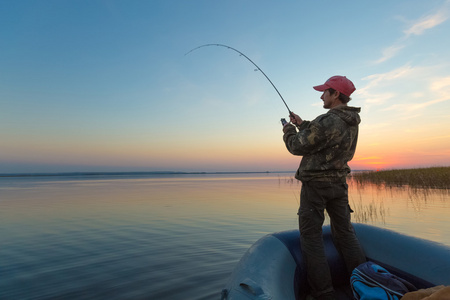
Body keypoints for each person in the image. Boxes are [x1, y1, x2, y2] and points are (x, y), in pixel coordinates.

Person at [282, 75, 366, 300]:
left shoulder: (329, 119)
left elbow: (297, 146)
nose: (321, 95)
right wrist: (302, 124)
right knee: (345, 234)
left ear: (335, 94)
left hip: (316, 187)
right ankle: (365, 283)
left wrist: (289, 130)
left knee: (311, 237)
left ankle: (324, 294)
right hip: (338, 185)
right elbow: (323, 135)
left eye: (324, 91)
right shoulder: (350, 120)